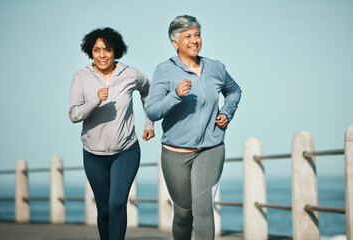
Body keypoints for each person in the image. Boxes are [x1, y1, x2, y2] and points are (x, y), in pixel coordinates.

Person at [146, 15, 242, 240]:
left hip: (210, 150)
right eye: (187, 36)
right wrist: (175, 95)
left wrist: (227, 113)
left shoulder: (215, 68)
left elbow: (234, 91)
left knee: (203, 209)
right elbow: (152, 111)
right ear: (174, 43)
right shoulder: (164, 71)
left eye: (197, 34)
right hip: (175, 154)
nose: (194, 40)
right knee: (182, 214)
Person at [68, 27, 155, 240]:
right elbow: (74, 115)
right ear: (90, 52)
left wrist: (149, 122)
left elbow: (148, 91)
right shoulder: (81, 77)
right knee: (104, 209)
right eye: (97, 50)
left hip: (126, 151)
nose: (102, 55)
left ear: (116, 50)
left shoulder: (130, 74)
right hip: (93, 154)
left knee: (117, 203)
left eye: (107, 50)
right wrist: (95, 100)